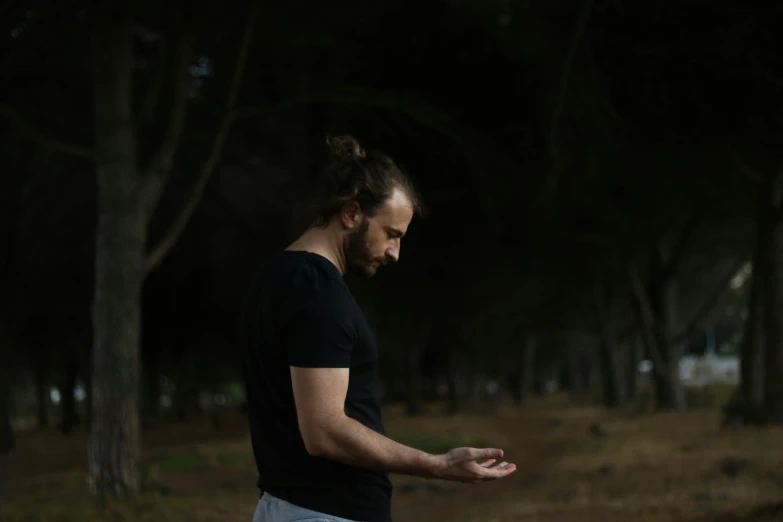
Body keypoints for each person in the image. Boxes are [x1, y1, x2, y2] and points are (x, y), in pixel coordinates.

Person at [240, 135, 516, 522]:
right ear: (351, 214)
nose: (394, 253)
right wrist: (435, 464)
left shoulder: (275, 279)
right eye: (392, 234)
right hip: (325, 514)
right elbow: (325, 430)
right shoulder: (318, 292)